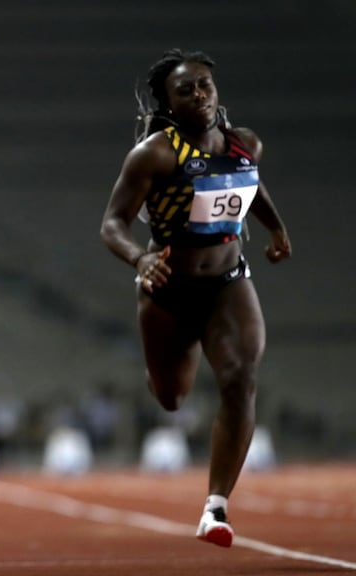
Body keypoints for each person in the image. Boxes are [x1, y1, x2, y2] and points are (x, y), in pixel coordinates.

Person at [100, 49, 291, 548]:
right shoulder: (155, 154)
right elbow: (112, 224)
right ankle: (160, 370)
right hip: (168, 289)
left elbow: (252, 187)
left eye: (205, 85)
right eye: (185, 90)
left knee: (241, 377)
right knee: (171, 396)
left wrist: (275, 229)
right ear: (167, 101)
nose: (199, 95)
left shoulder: (245, 144)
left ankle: (216, 506)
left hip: (229, 280)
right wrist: (139, 260)